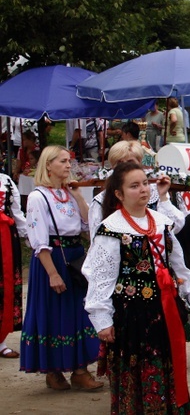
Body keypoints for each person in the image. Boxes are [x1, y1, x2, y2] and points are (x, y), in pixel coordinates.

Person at [83, 162, 190, 413]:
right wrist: (102, 318)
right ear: (119, 193)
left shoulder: (161, 222)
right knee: (136, 370)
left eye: (145, 184)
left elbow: (177, 263)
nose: (143, 190)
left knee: (167, 365)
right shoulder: (111, 229)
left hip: (164, 309)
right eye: (134, 186)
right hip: (132, 315)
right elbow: (100, 275)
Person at [20, 146, 103, 391]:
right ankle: (53, 369)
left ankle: (80, 370)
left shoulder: (69, 194)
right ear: (48, 165)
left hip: (75, 257)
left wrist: (78, 196)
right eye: (63, 161)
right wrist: (52, 273)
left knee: (80, 313)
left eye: (69, 161)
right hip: (52, 259)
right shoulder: (38, 197)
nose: (69, 166)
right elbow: (38, 239)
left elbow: (90, 224)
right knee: (53, 313)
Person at [89, 141, 185, 238]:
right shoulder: (100, 201)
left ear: (139, 163)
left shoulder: (153, 192)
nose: (126, 167)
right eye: (120, 163)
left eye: (130, 162)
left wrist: (163, 197)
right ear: (113, 167)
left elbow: (175, 227)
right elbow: (96, 238)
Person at [0, 172, 26, 359]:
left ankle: (0, 340)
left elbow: (16, 212)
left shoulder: (5, 180)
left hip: (5, 240)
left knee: (5, 287)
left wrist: (32, 238)